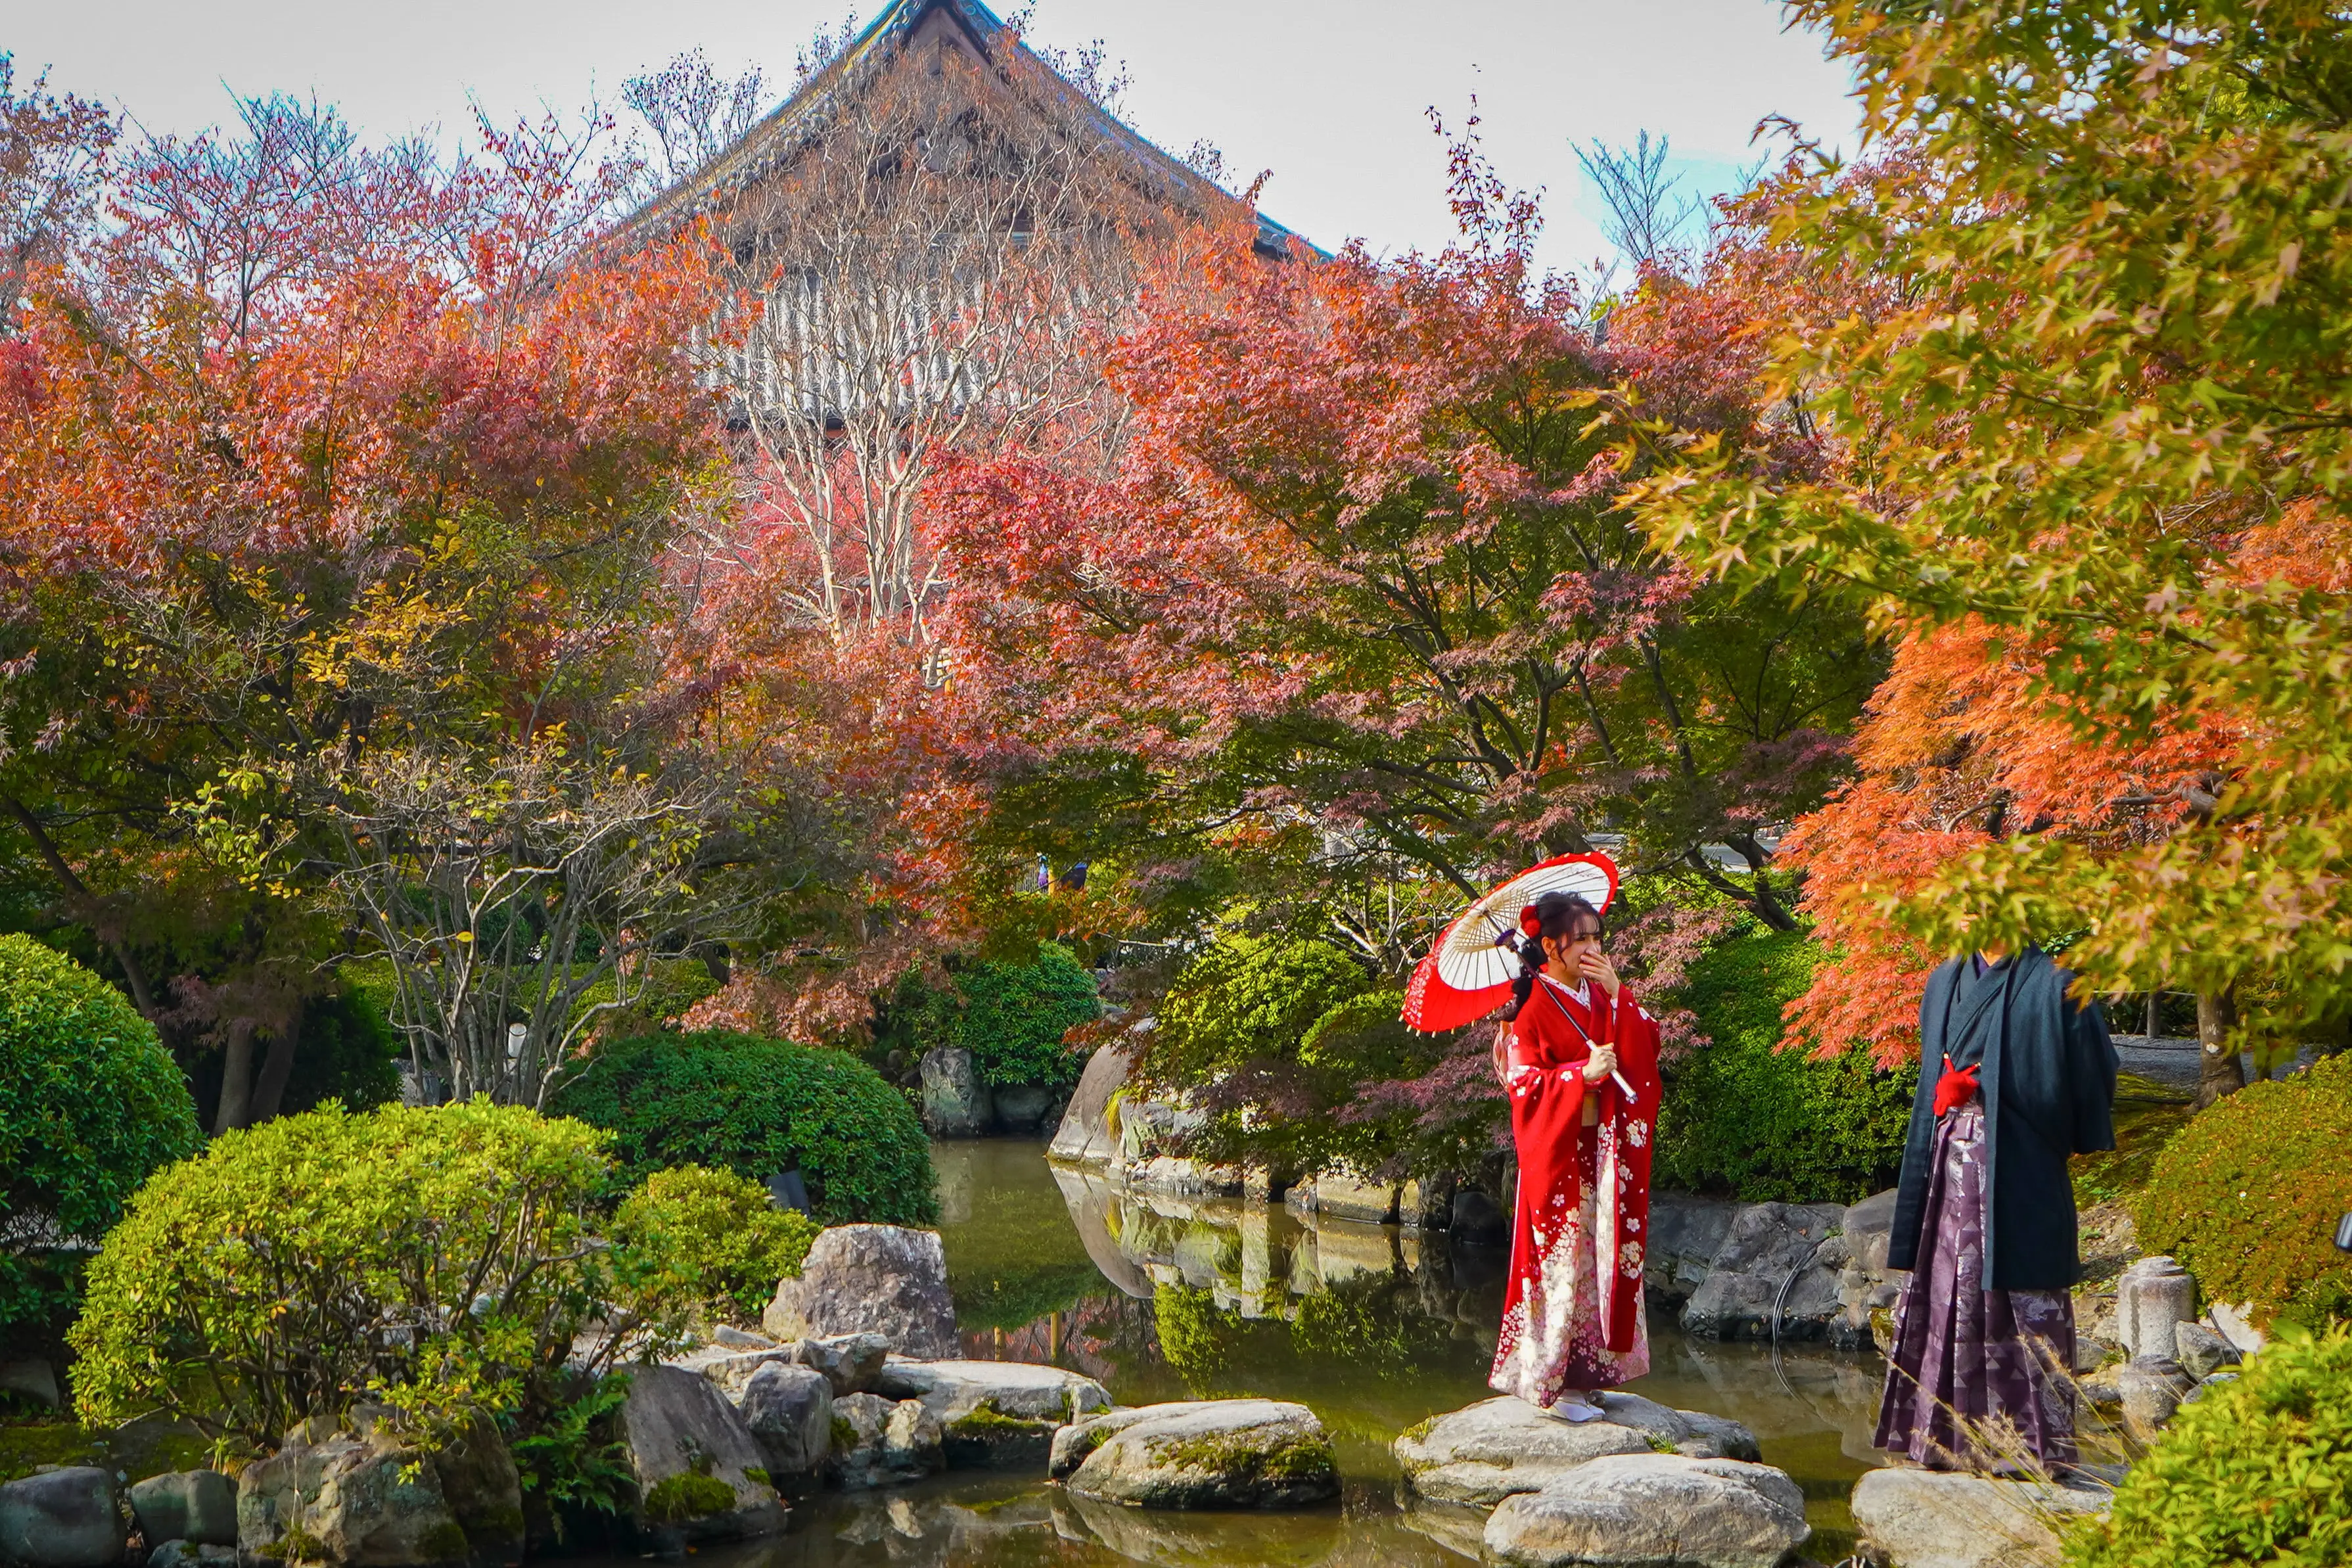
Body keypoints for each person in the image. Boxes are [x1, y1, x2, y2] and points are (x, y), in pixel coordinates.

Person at [1874, 943, 2118, 1473]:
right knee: (1947, 1293)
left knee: (2022, 1295)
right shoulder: (1944, 980)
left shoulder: (2059, 985)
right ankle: (1943, 1439)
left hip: (2020, 1163)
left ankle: (2030, 1448)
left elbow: (2090, 1078)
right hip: (1947, 1158)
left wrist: (2002, 1096)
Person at [1487, 890, 1662, 1421]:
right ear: (1549, 946)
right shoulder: (1531, 1005)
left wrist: (1618, 993)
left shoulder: (1602, 993)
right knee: (1561, 1263)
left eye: (1597, 938)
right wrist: (1576, 1076)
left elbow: (1647, 1046)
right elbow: (1521, 1083)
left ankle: (1591, 1374)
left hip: (1601, 1150)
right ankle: (1553, 1385)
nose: (1592, 947)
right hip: (1559, 1153)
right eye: (1580, 939)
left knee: (1602, 1257)